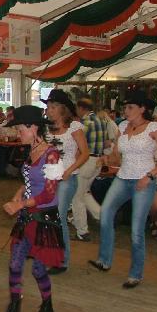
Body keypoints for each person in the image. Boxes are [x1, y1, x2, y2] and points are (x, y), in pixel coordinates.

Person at [89, 90, 157, 288]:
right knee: (105, 214)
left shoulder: (154, 128)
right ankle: (104, 260)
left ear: (142, 109)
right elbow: (117, 156)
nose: (125, 111)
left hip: (143, 180)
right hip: (122, 177)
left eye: (130, 107)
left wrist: (150, 176)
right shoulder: (123, 126)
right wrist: (106, 157)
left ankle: (136, 273)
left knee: (136, 230)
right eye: (125, 107)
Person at [0, 105, 64, 312]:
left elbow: (49, 193)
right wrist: (18, 195)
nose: (18, 133)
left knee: (38, 268)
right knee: (15, 263)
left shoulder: (51, 154)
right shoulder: (31, 150)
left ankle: (47, 307)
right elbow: (30, 182)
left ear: (33, 128)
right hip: (28, 214)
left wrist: (20, 204)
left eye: (20, 128)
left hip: (43, 218)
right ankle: (14, 310)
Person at [43, 89, 89, 274]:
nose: (49, 110)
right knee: (49, 216)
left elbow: (85, 152)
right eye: (48, 107)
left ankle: (62, 260)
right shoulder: (46, 128)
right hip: (50, 176)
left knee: (59, 215)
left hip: (67, 178)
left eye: (53, 107)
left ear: (62, 109)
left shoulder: (74, 127)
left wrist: (69, 170)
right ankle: (52, 254)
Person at [71, 98, 106, 242]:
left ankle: (82, 231)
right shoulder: (101, 120)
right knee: (84, 193)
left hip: (86, 161)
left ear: (81, 108)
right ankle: (103, 217)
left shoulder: (85, 123)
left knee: (76, 198)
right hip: (97, 161)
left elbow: (78, 144)